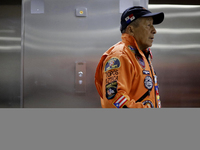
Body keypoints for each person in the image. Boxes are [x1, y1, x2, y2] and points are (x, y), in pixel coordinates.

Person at [94, 6, 164, 108]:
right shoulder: (121, 56)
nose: (154, 30)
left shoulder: (141, 55)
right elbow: (114, 100)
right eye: (148, 25)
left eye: (152, 25)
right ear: (131, 30)